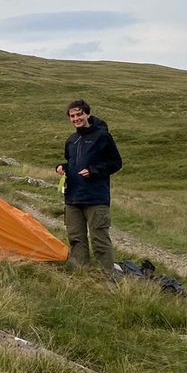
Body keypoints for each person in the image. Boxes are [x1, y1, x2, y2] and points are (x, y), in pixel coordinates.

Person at [54, 99, 122, 271]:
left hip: (95, 198)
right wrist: (62, 167)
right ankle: (82, 273)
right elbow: (73, 163)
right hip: (73, 198)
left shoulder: (102, 136)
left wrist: (94, 170)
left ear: (87, 114)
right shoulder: (71, 140)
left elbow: (116, 163)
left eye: (79, 114)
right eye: (72, 116)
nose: (76, 118)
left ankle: (107, 275)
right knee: (76, 238)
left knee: (100, 239)